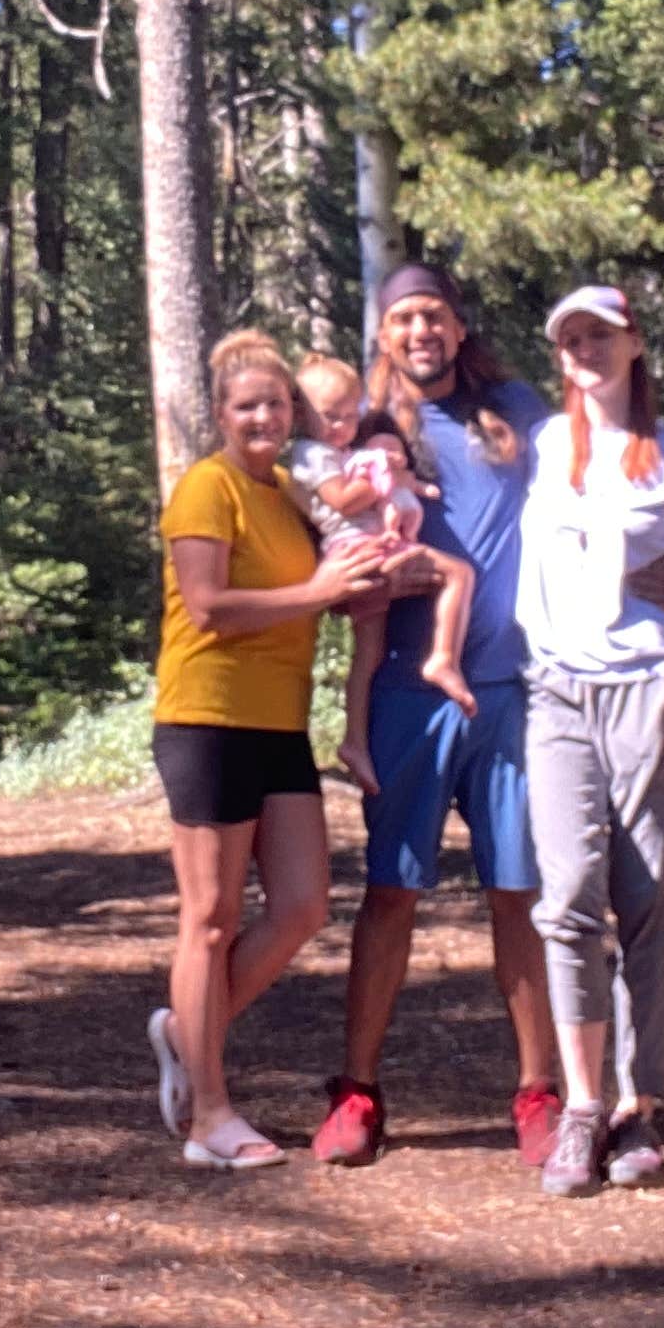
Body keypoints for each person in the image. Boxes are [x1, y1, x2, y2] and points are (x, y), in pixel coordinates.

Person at [311, 265, 564, 1171]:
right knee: (391, 891)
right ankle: (357, 1092)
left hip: (513, 691)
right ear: (383, 337)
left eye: (434, 317)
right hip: (406, 700)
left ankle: (540, 1094)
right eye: (402, 319)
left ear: (459, 329)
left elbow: (587, 497)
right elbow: (329, 548)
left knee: (519, 891)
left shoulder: (515, 416)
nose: (419, 332)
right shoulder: (370, 433)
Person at [143, 329, 392, 1169]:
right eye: (247, 406)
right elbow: (209, 606)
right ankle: (209, 1117)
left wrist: (378, 578)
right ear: (220, 414)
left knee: (302, 906)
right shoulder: (205, 490)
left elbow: (337, 569)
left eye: (277, 404)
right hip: (206, 719)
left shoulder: (291, 490)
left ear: (294, 413)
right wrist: (318, 591)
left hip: (279, 724)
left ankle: (186, 1032)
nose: (264, 417)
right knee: (209, 920)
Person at [516, 282, 664, 1198]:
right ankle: (581, 1107)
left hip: (648, 692)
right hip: (557, 693)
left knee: (644, 902)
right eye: (571, 340)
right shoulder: (548, 446)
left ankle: (639, 1108)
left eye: (602, 336)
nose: (586, 352)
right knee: (565, 899)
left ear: (635, 345)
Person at [284, 358, 478, 789]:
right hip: (359, 549)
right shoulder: (310, 453)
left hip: (363, 549)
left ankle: (353, 740)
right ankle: (442, 658)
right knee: (459, 573)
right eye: (331, 416)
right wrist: (385, 474)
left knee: (367, 656)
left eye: (351, 415)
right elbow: (343, 501)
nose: (344, 425)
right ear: (302, 414)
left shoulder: (334, 451)